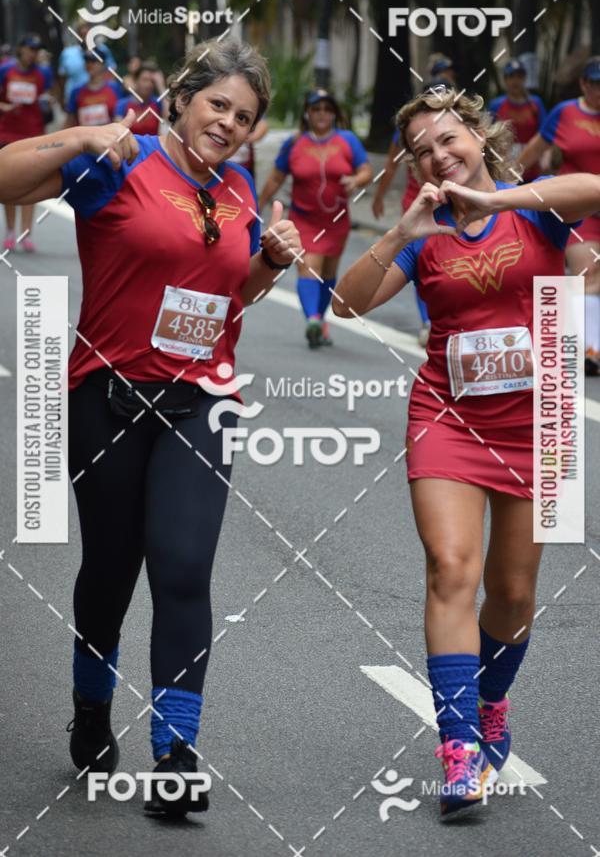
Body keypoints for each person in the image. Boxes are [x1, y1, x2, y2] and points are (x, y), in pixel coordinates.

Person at [0, 36, 300, 818]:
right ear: (182, 100)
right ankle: (92, 704)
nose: (228, 123)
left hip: (203, 404)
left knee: (182, 568)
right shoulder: (122, 161)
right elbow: (5, 177)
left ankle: (176, 756)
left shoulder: (239, 189)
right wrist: (82, 136)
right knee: (111, 567)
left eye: (244, 116)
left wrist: (270, 262)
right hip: (108, 398)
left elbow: (231, 297)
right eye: (218, 105)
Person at [333, 87, 599, 818]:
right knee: (451, 567)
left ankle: (489, 703)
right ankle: (458, 748)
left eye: (449, 139)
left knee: (512, 592)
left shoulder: (534, 207)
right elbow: (346, 303)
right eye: (422, 150)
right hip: (447, 418)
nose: (439, 155)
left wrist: (500, 199)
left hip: (540, 420)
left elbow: (591, 188)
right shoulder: (422, 233)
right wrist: (400, 231)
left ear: (479, 138)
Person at [259, 89, 372, 348]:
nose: (322, 114)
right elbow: (276, 177)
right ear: (307, 114)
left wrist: (356, 180)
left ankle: (319, 319)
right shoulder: (294, 143)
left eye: (327, 109)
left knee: (328, 273)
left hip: (336, 222)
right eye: (316, 109)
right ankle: (311, 319)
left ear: (334, 114)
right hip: (304, 220)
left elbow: (366, 170)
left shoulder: (347, 140)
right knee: (309, 266)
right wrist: (260, 204)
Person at [520, 56, 600, 375]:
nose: (599, 90)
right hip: (579, 209)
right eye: (595, 83)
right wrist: (501, 193)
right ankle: (589, 351)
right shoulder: (565, 113)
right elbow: (532, 152)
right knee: (589, 273)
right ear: (583, 84)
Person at [372, 80, 454, 347]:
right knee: (424, 263)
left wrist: (500, 198)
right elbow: (391, 166)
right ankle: (428, 322)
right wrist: (379, 196)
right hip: (418, 205)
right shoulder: (408, 131)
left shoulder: (459, 128)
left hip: (455, 204)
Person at [0, 33, 52, 253]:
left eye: (36, 50)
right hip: (7, 133)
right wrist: (5, 107)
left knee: (32, 184)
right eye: (30, 49)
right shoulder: (6, 70)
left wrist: (48, 103)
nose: (32, 54)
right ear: (21, 49)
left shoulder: (43, 73)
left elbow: (48, 97)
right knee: (8, 183)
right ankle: (10, 231)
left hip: (33, 134)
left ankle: (26, 233)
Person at [488, 59, 547, 182]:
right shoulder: (496, 105)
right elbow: (488, 135)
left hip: (532, 169)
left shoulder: (535, 104)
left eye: (519, 76)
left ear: (525, 79)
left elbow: (545, 135)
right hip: (504, 169)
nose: (515, 81)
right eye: (511, 76)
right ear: (505, 80)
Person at [57, 21, 116, 108]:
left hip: (100, 99)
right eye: (82, 34)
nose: (85, 38)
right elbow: (62, 78)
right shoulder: (67, 53)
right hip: (75, 100)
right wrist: (62, 99)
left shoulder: (103, 50)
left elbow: (111, 72)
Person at [64, 49, 121, 128]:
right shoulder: (76, 91)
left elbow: (121, 114)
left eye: (93, 61)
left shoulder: (114, 88)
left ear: (102, 64)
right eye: (87, 61)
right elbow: (70, 121)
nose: (89, 65)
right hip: (85, 135)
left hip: (110, 134)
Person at [115, 61, 168, 135]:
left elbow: (169, 117)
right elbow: (118, 131)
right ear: (136, 81)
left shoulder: (157, 103)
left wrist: (161, 86)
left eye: (152, 81)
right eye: (144, 80)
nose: (148, 84)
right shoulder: (123, 104)